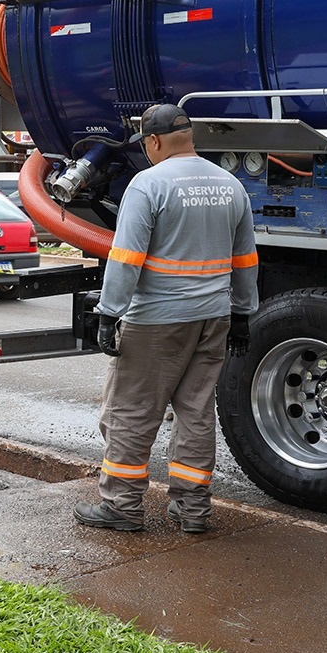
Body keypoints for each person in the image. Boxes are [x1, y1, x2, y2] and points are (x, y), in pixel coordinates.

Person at [73, 104, 259, 535]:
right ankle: (193, 510)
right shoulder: (230, 185)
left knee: (131, 411)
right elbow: (246, 259)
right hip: (213, 317)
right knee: (195, 412)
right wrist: (243, 313)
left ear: (153, 142)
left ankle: (121, 506)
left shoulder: (148, 184)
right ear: (190, 137)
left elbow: (126, 258)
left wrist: (109, 313)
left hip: (156, 320)